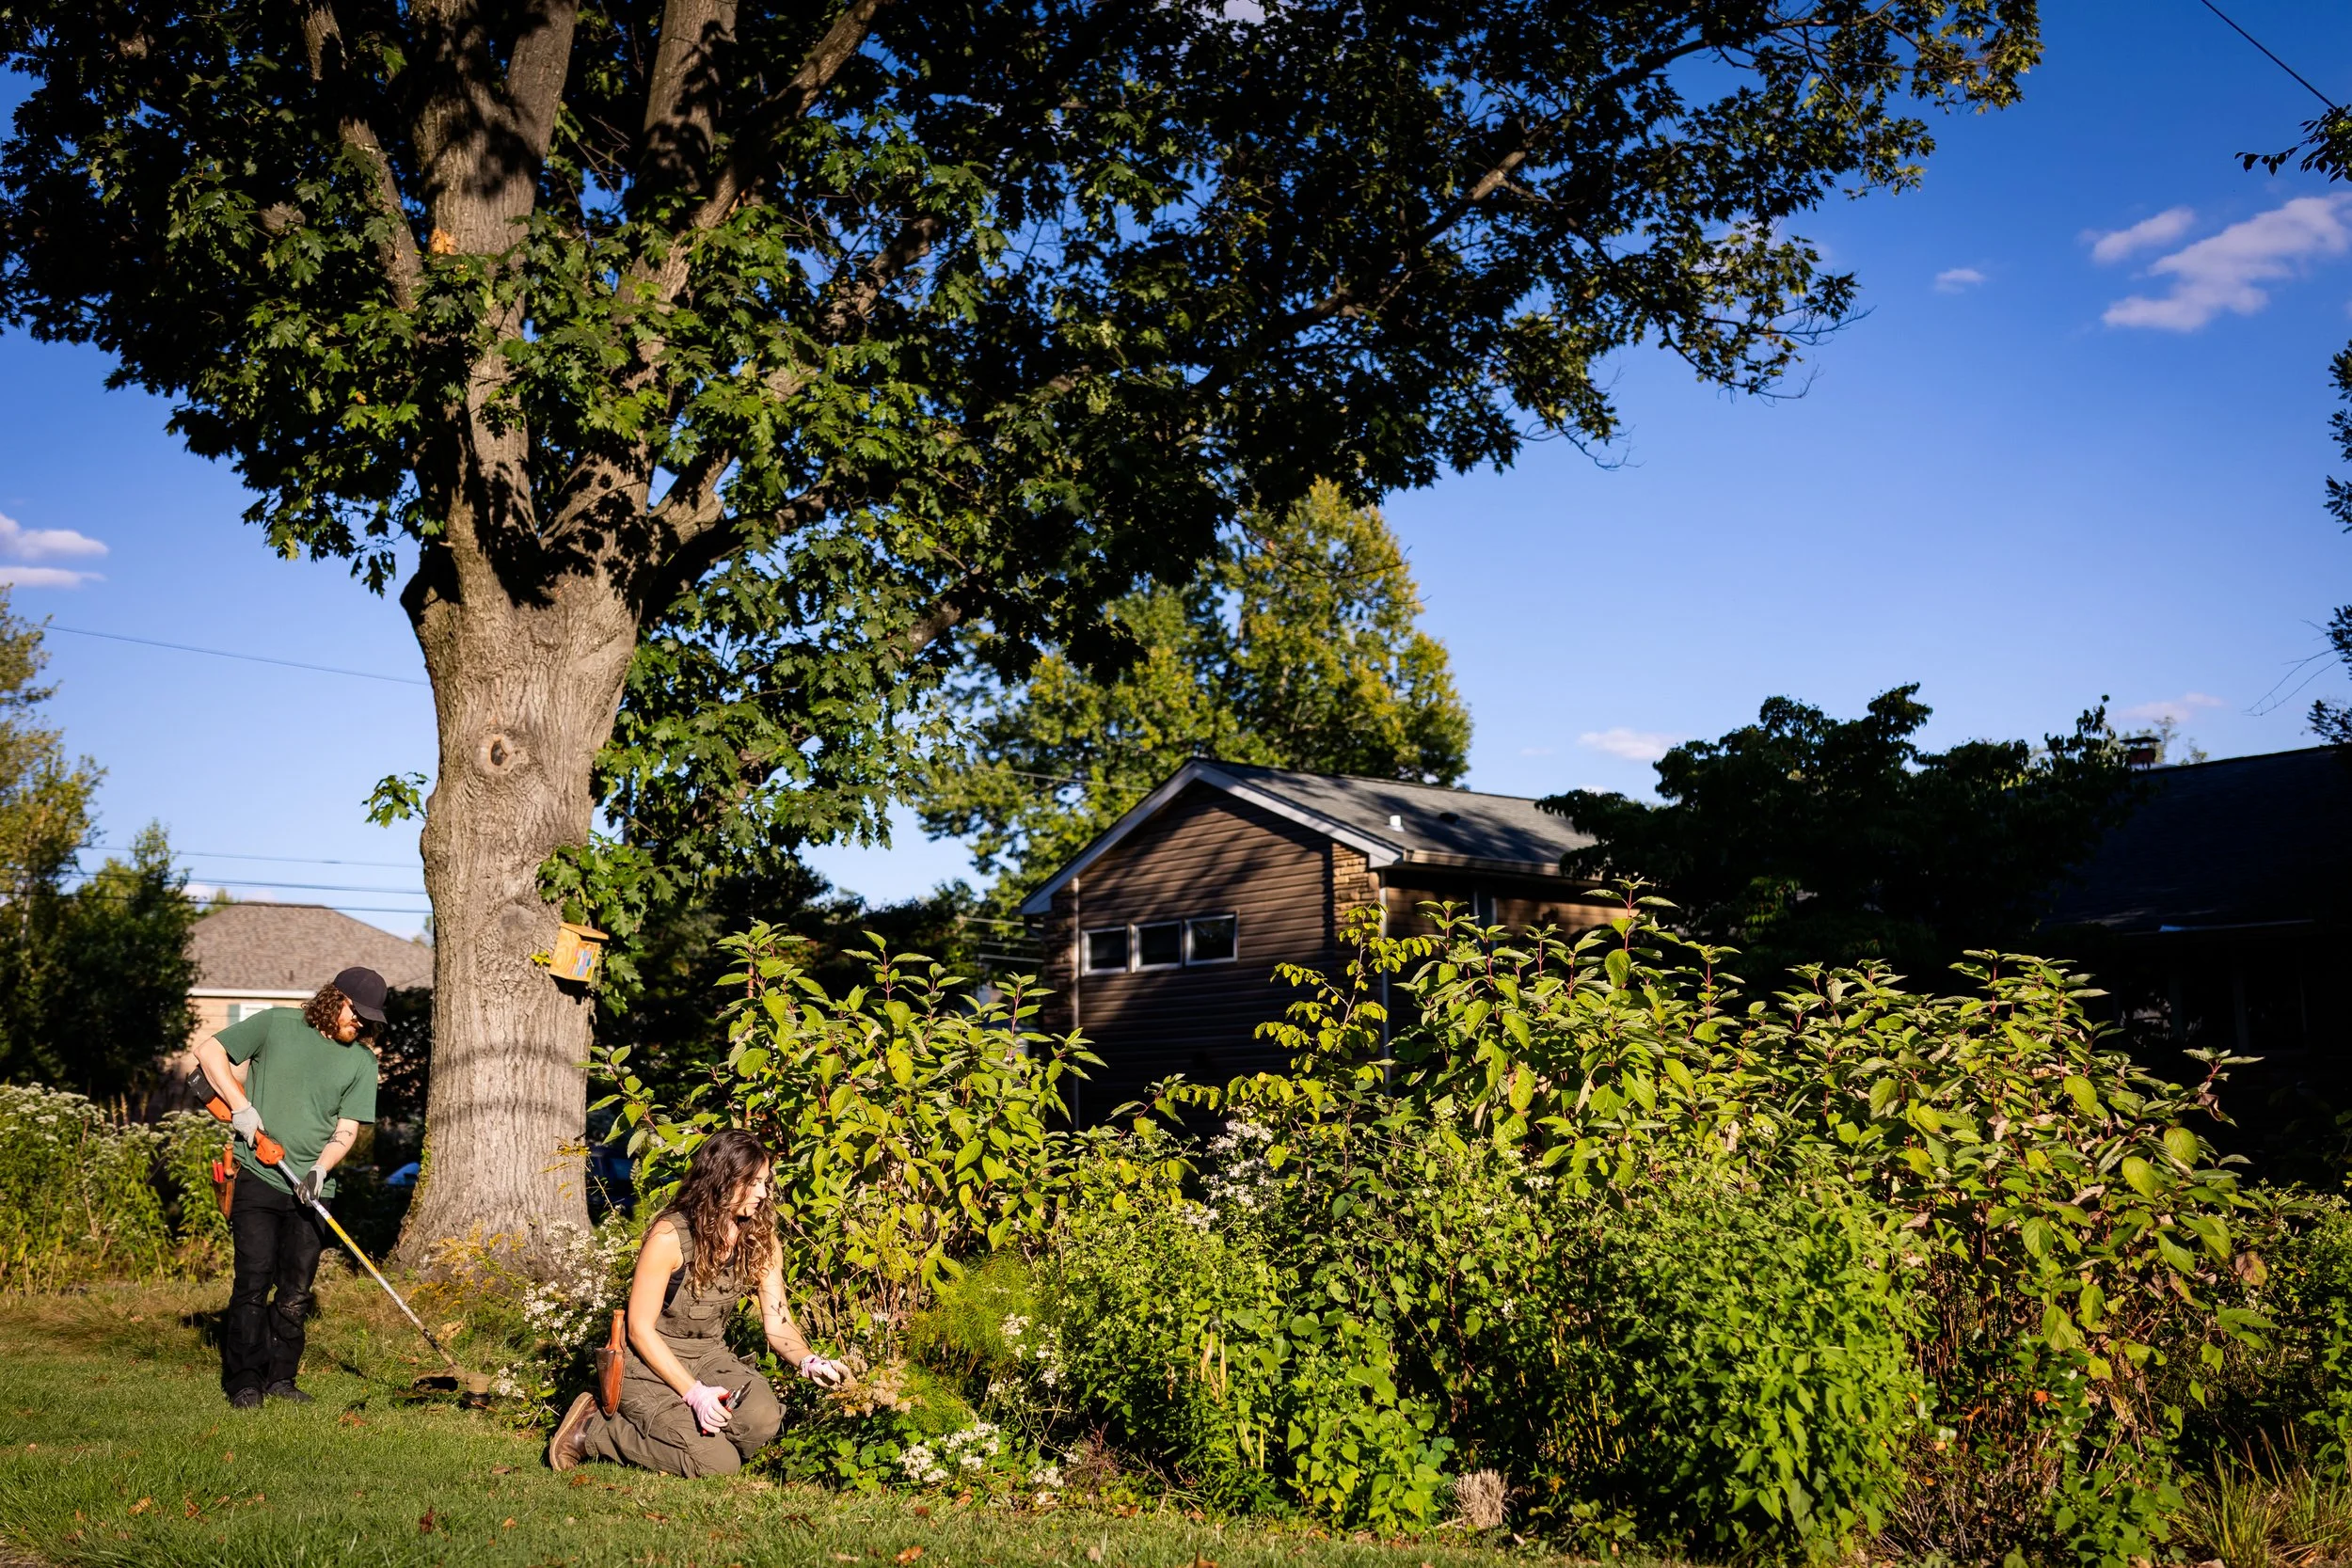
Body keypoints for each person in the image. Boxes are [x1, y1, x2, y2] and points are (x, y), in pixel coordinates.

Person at [548, 1129, 846, 1477]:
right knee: (718, 1465)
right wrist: (695, 1395)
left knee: (762, 1420)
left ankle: (682, 1436)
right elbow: (639, 1330)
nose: (763, 1194)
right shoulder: (668, 1238)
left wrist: (809, 1361)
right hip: (645, 1363)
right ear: (723, 1180)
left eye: (766, 1183)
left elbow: (778, 1322)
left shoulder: (760, 1239)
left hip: (708, 1355)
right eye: (754, 1183)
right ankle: (595, 1430)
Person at [194, 966, 386, 1410]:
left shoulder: (362, 1060)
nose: (360, 1024)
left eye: (368, 1019)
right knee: (253, 1282)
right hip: (258, 1175)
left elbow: (348, 1128)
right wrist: (241, 1107)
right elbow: (208, 1052)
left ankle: (282, 1377)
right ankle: (244, 1380)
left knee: (296, 1292)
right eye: (356, 1013)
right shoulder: (276, 1024)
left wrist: (321, 1170)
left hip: (313, 1190)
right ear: (334, 998)